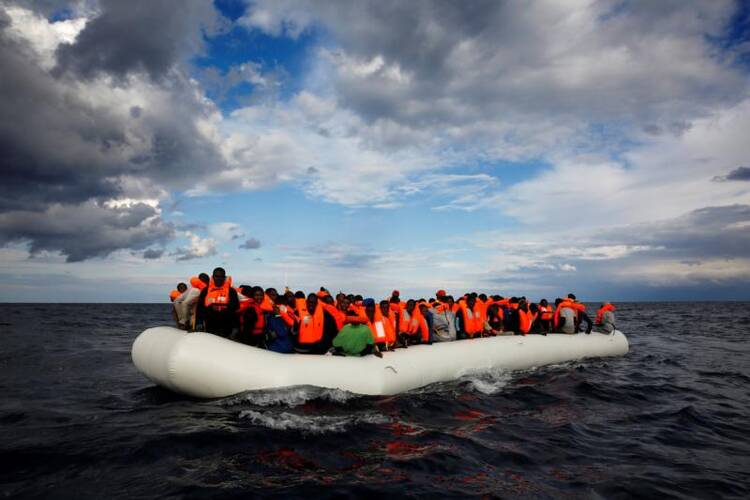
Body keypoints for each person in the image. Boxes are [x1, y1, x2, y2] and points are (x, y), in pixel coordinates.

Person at [195, 267, 239, 338]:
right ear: (213, 277)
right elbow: (200, 308)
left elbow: (236, 308)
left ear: (224, 278)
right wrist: (199, 323)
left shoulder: (231, 291)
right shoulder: (205, 290)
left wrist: (236, 327)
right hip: (210, 326)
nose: (219, 278)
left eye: (221, 276)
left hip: (227, 327)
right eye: (217, 276)